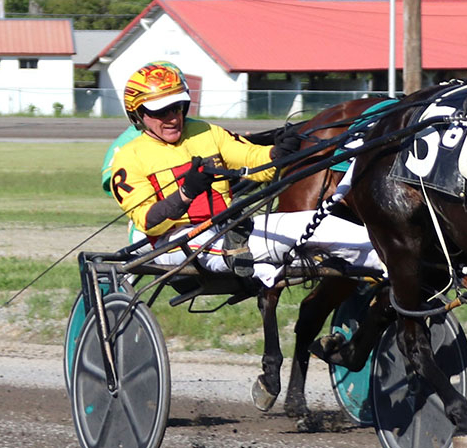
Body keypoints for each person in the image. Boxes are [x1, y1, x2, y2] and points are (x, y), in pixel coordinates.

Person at [108, 60, 383, 287]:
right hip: (168, 240)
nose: (172, 117)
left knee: (320, 225)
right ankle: (256, 264)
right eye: (160, 111)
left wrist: (279, 153)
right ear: (138, 114)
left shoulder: (206, 132)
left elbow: (255, 162)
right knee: (231, 250)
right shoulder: (129, 158)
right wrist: (185, 194)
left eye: (177, 107)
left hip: (225, 228)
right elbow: (147, 223)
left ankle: (390, 266)